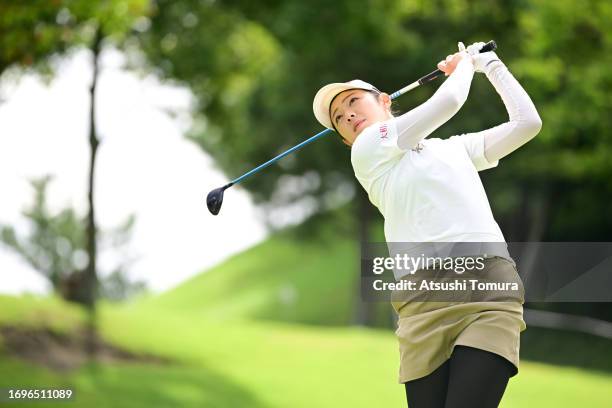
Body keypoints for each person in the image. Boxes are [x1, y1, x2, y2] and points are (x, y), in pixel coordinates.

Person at [312, 42, 542, 407]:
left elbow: (527, 123)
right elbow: (448, 103)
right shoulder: (367, 150)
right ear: (345, 140)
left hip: (487, 288)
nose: (348, 115)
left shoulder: (455, 149)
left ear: (384, 100)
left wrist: (490, 64)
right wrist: (466, 63)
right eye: (339, 118)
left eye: (354, 101)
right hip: (422, 301)